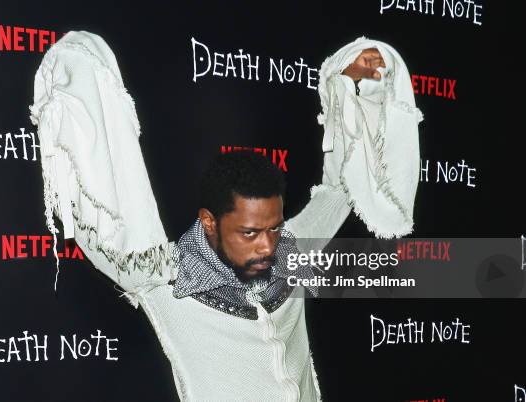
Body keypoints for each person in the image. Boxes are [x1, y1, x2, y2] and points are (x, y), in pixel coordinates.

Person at [30, 31, 421, 401]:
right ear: (210, 223)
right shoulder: (168, 279)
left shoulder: (291, 251)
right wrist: (80, 78)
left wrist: (349, 81)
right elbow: (111, 216)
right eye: (250, 233)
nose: (267, 245)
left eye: (274, 228)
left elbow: (340, 190)